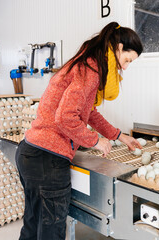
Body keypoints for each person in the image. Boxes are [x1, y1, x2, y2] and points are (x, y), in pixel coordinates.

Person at [15, 21, 143, 240]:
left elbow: (88, 112)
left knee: (33, 225)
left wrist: (119, 136)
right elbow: (65, 118)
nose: (125, 67)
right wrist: (96, 141)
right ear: (119, 48)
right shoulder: (91, 70)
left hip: (31, 152)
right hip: (49, 159)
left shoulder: (84, 63)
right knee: (50, 232)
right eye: (127, 60)